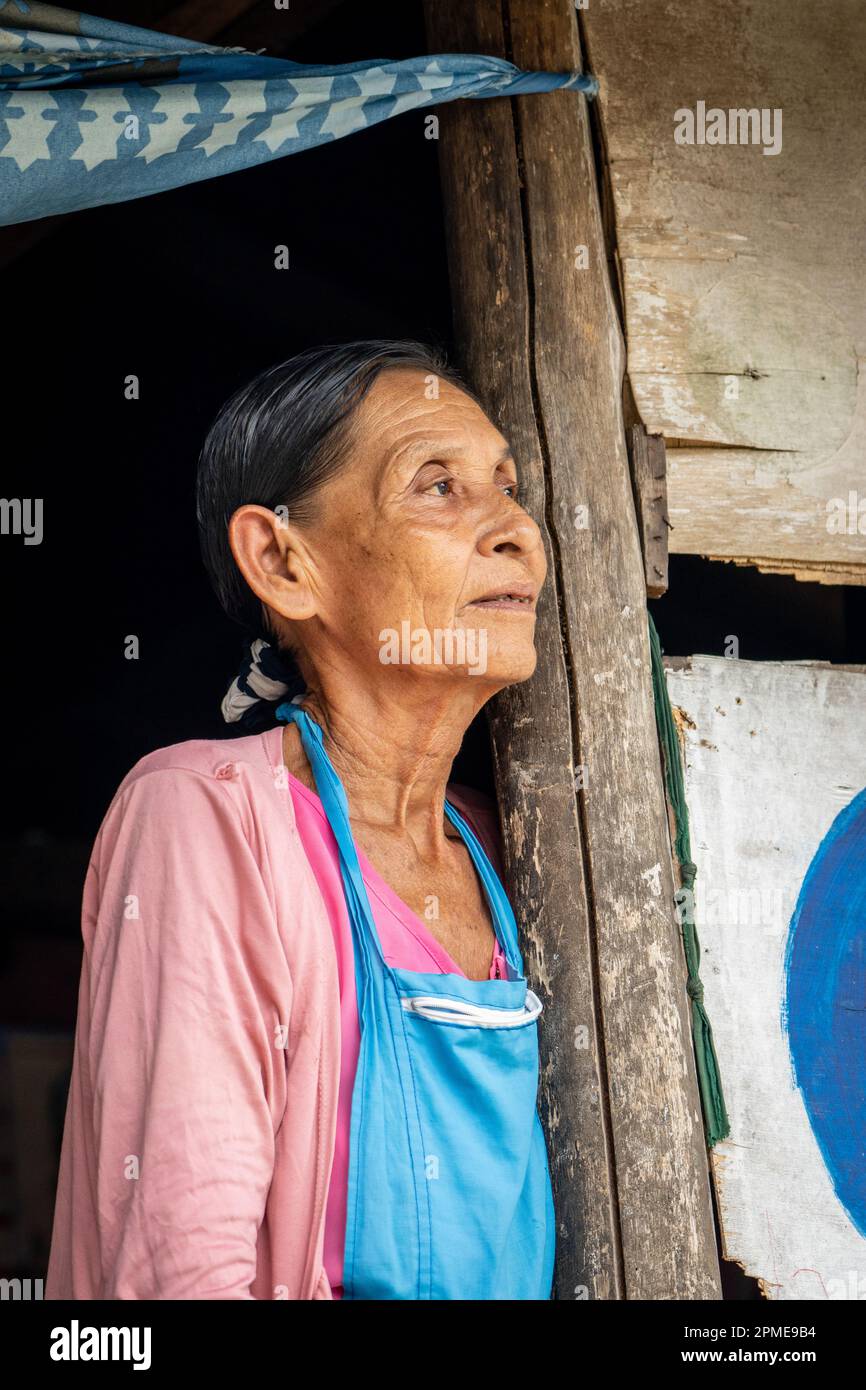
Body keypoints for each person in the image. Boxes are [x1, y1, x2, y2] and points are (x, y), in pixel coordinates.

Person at [45, 338, 555, 1300]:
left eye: (508, 486)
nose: (517, 533)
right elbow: (175, 1277)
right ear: (284, 562)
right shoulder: (205, 817)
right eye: (439, 487)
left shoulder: (513, 846)